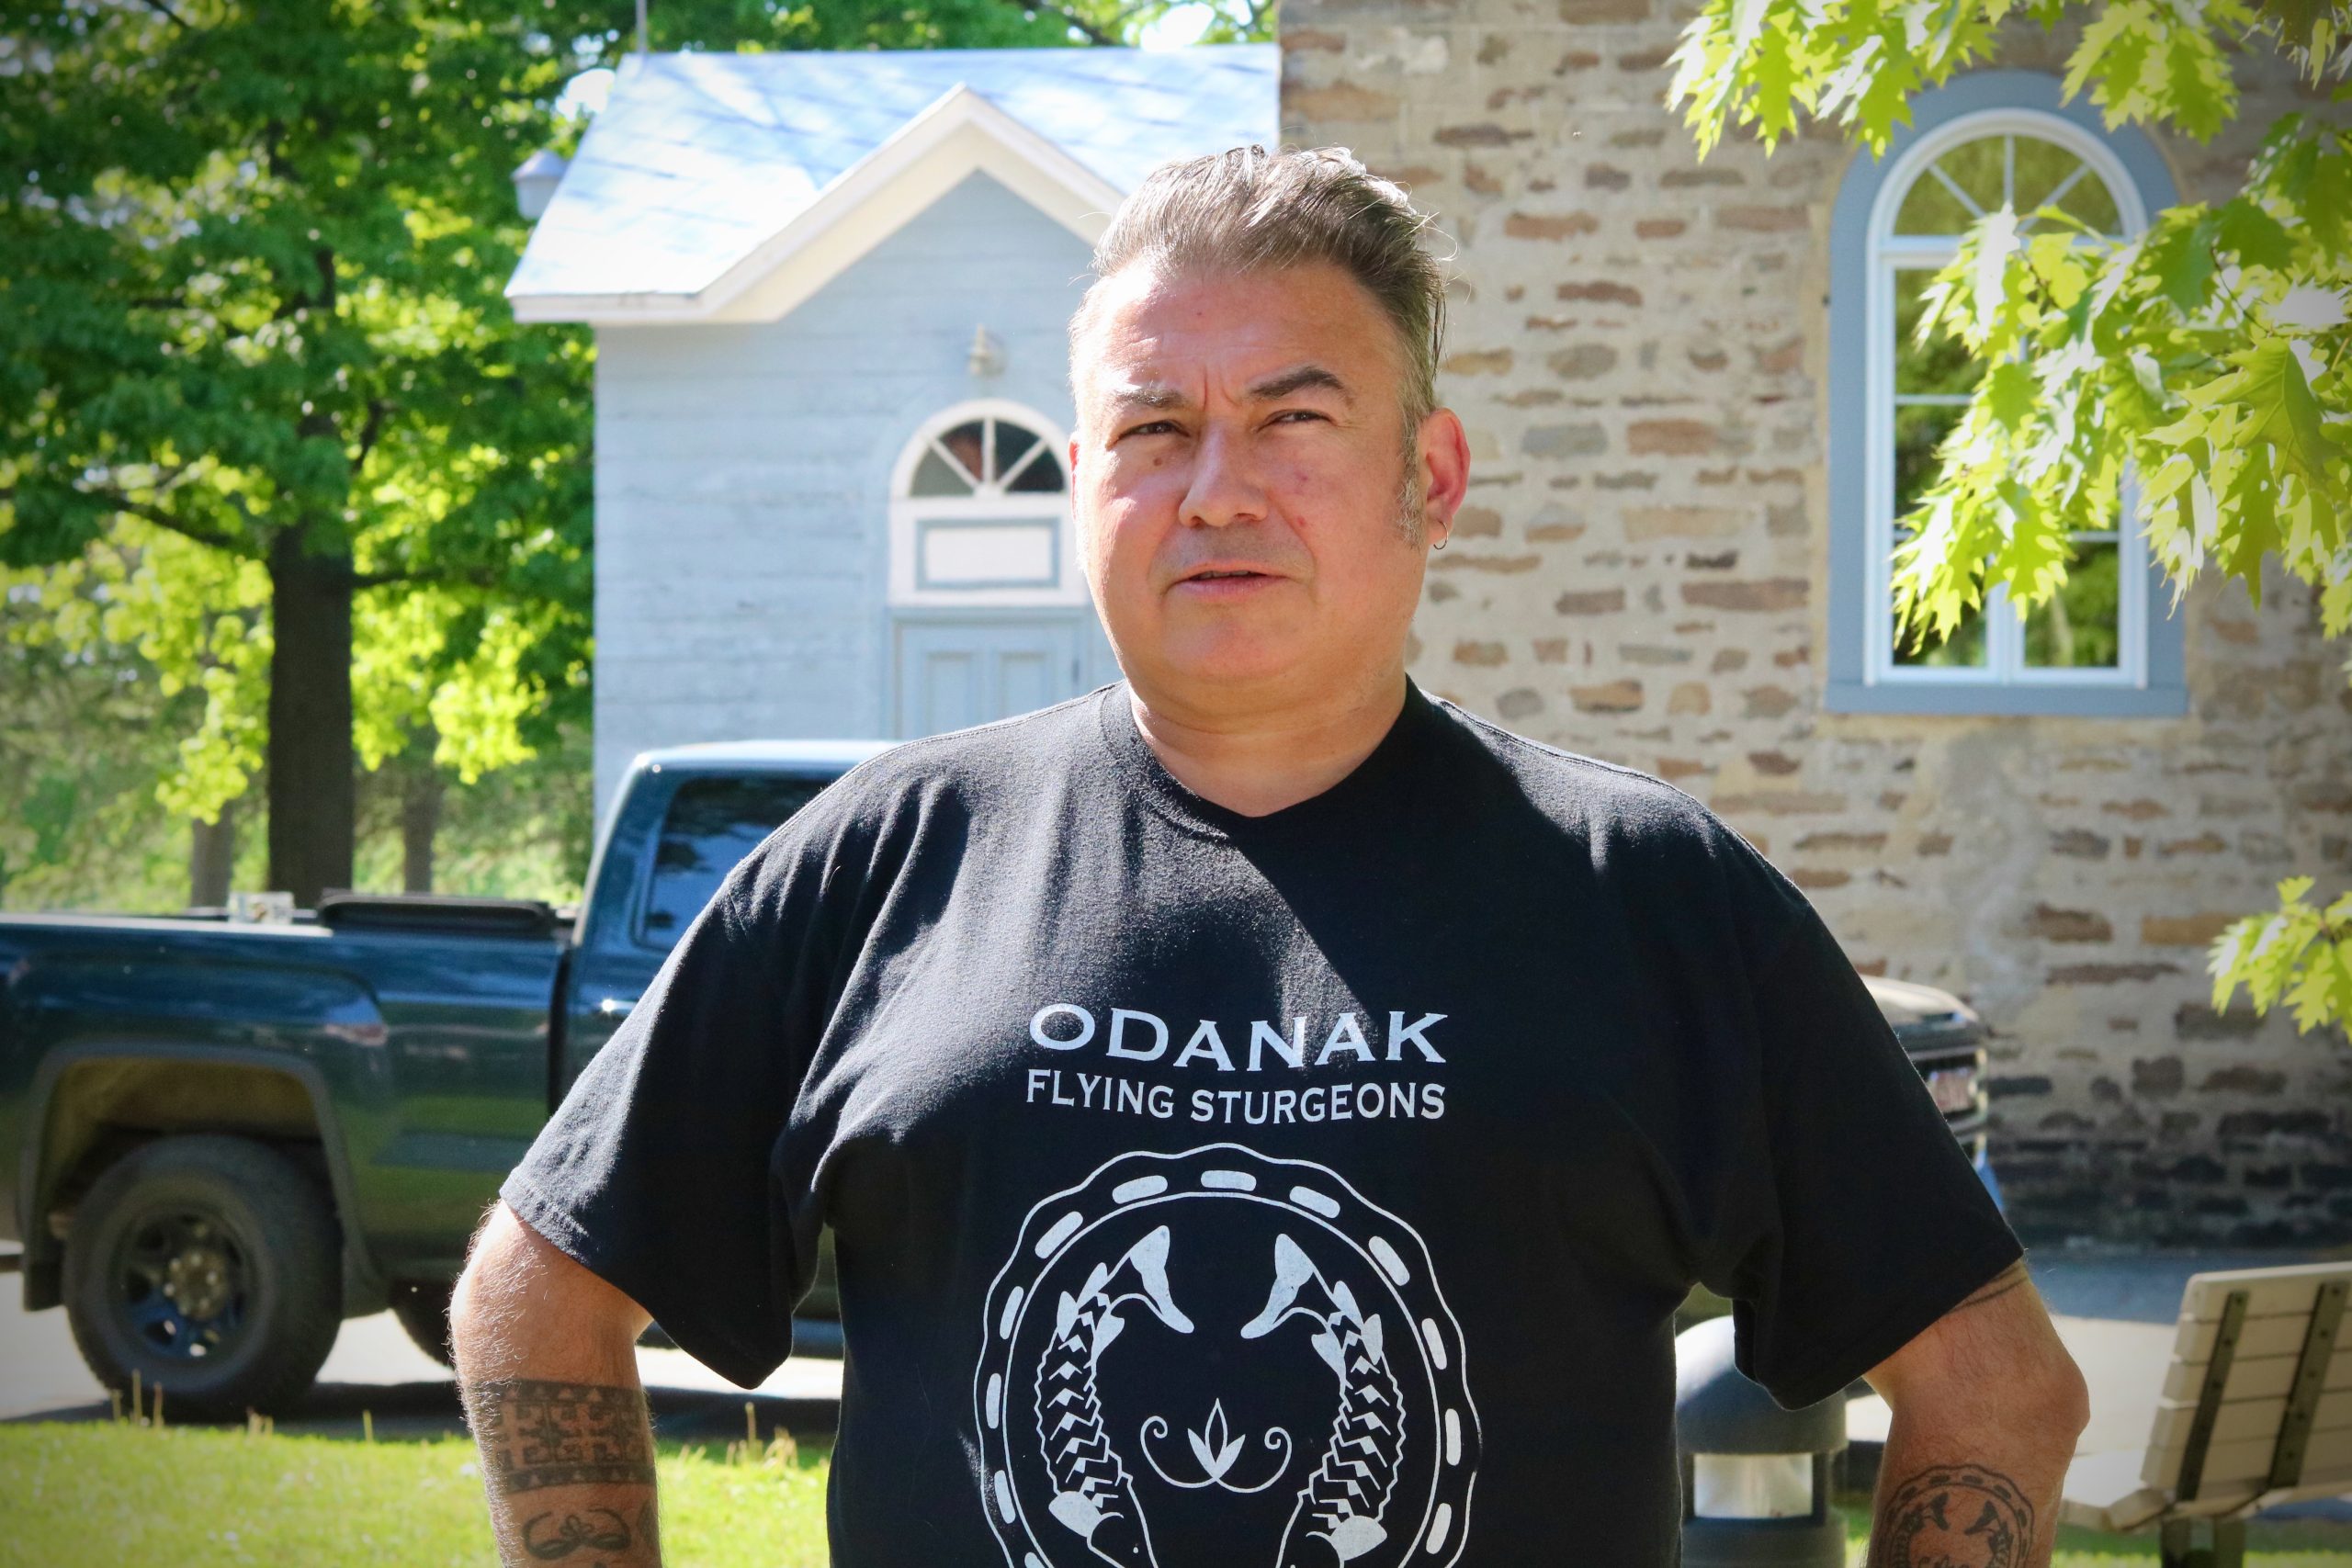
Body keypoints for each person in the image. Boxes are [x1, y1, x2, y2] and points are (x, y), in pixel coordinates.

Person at [452, 145, 2088, 1568]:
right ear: (1082, 479)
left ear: (1426, 480)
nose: (1215, 490)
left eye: (1293, 418)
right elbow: (536, 1296)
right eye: (1153, 428)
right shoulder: (887, 863)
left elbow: (1997, 1392)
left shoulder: (1645, 894)